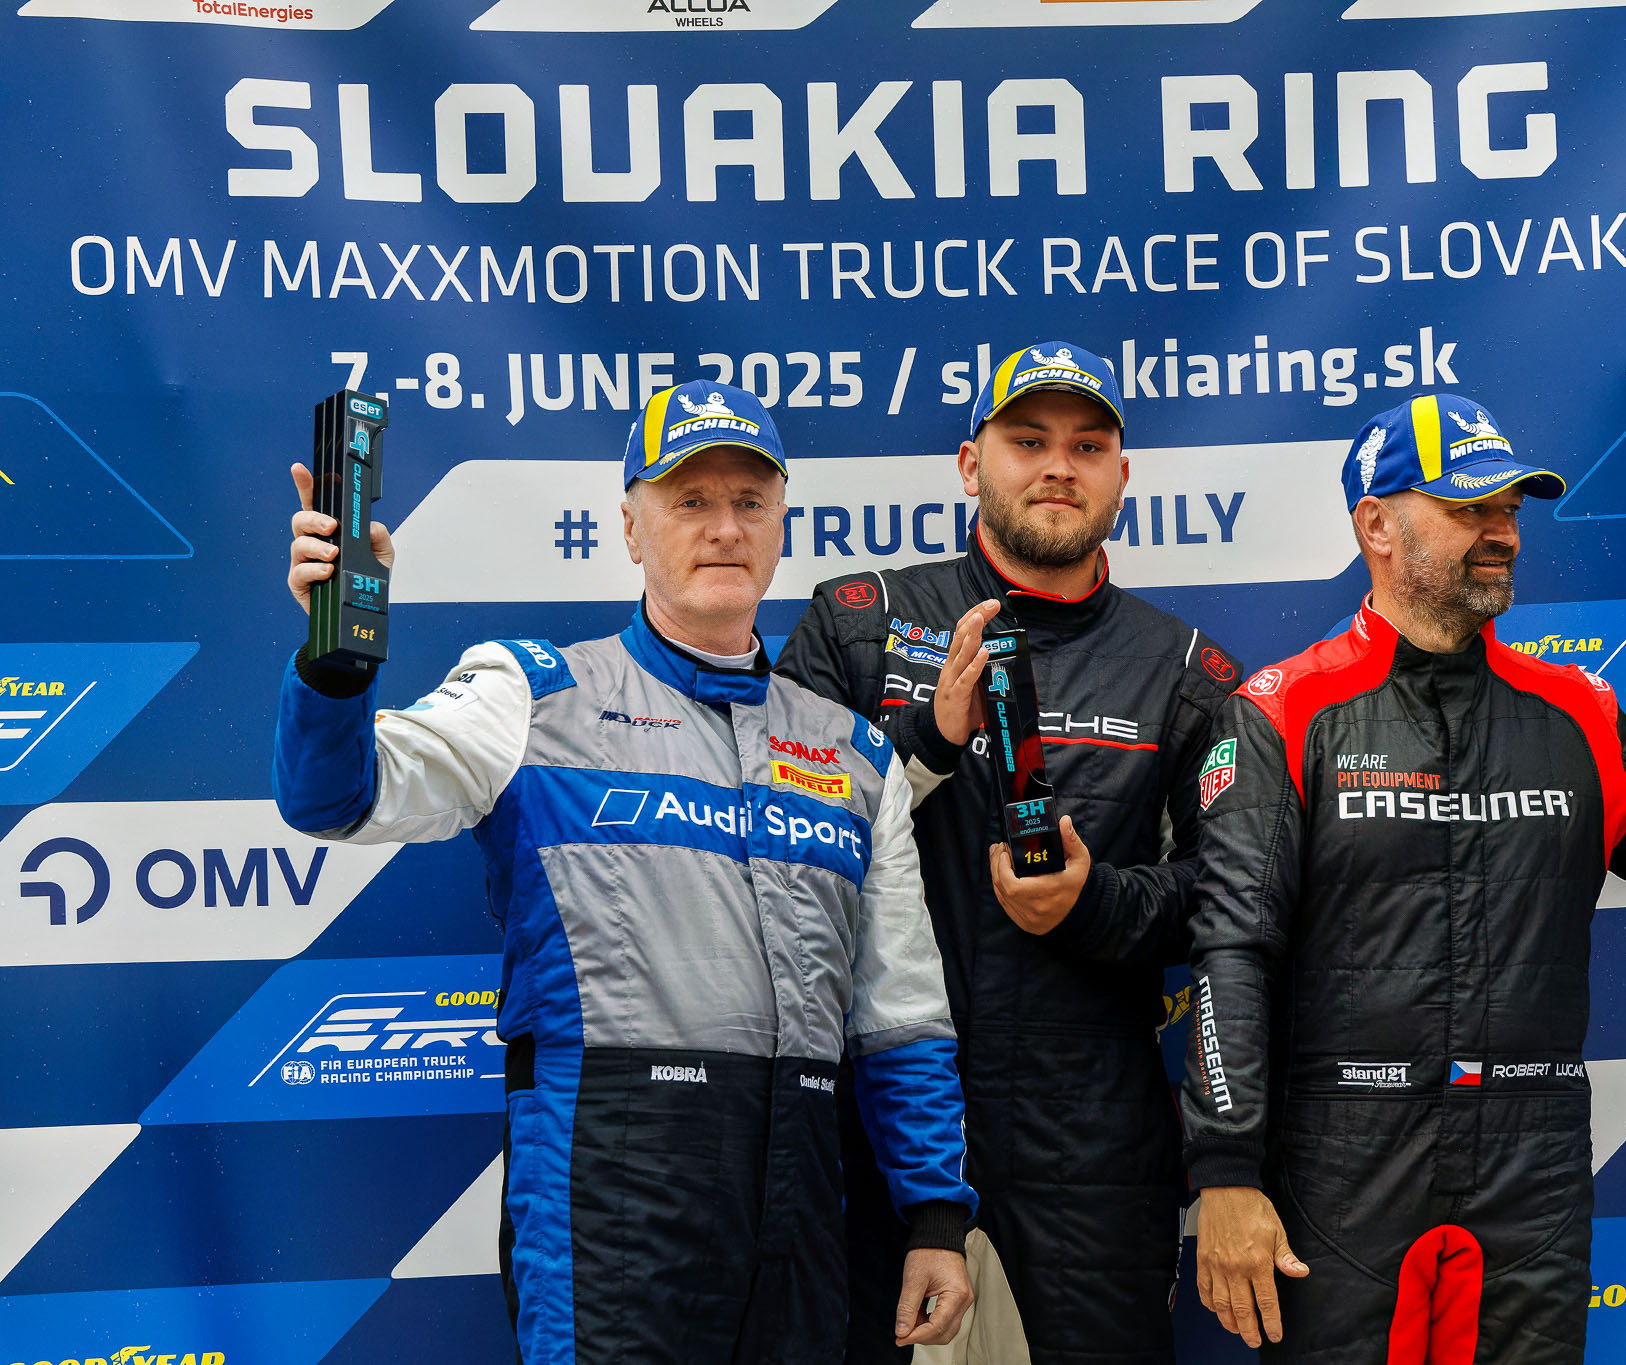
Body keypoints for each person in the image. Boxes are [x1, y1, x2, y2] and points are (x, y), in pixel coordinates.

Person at [272, 381, 976, 1365]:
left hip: (804, 1197)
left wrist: (935, 1214)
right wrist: (334, 664)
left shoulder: (853, 752)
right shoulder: (530, 694)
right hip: (606, 1188)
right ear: (631, 528)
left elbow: (899, 1013)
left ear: (782, 525)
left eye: (749, 502)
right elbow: (335, 798)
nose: (723, 528)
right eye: (690, 501)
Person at [1182, 393, 1626, 1363]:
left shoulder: (1576, 709)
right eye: (1468, 508)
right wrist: (1225, 1170)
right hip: (1342, 1155)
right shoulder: (1286, 709)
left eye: (1508, 508)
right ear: (1375, 524)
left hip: (1529, 1158)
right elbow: (1231, 953)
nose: (1501, 531)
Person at [775, 342, 1242, 1365]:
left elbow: (1232, 903)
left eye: (1087, 446)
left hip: (1092, 1151)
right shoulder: (859, 626)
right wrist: (925, 744)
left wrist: (1093, 904)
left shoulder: (1185, 672)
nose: (1058, 466)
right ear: (968, 463)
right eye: (1027, 441)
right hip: (879, 1126)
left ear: (1123, 475)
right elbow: (776, 853)